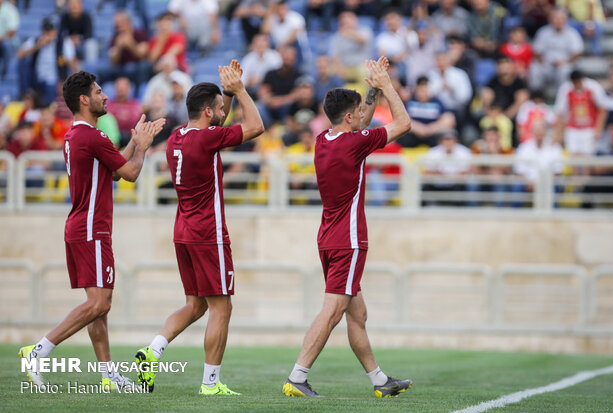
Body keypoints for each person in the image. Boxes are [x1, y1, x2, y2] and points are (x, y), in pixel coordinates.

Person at [17, 70, 165, 390]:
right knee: (99, 304)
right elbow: (130, 173)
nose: (105, 96)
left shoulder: (77, 135)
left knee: (100, 305)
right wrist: (142, 147)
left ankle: (108, 374)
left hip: (81, 226)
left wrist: (133, 144)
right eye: (99, 92)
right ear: (84, 99)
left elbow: (112, 172)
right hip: (91, 228)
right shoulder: (92, 136)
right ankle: (38, 351)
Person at [282, 57, 412, 398]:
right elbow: (403, 123)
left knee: (358, 313)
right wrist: (386, 86)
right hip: (349, 239)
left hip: (327, 237)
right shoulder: (356, 143)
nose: (361, 117)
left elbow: (361, 120)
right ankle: (297, 376)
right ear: (350, 117)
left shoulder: (324, 139)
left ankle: (380, 382)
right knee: (333, 311)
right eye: (358, 113)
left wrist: (369, 87)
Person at [134, 60, 264, 396]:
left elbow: (217, 129)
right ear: (208, 112)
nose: (225, 111)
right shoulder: (207, 140)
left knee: (196, 304)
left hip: (183, 230)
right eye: (220, 109)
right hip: (208, 232)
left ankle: (152, 352)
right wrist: (240, 90)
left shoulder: (179, 136)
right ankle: (210, 384)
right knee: (222, 306)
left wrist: (226, 97)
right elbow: (256, 127)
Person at [554, 70, 611, 156]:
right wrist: (558, 133)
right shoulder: (566, 89)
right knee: (573, 157)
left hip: (589, 128)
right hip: (572, 128)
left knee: (587, 158)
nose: (576, 85)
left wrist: (598, 128)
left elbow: (604, 108)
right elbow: (560, 112)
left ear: (582, 79)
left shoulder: (593, 86)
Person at [529, 8, 584, 95]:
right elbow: (537, 52)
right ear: (550, 20)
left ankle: (562, 98)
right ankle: (537, 96)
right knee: (535, 68)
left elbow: (577, 53)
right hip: (547, 64)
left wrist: (564, 62)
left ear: (565, 20)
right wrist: (543, 61)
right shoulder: (543, 32)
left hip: (565, 64)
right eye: (556, 18)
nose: (558, 21)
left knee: (564, 70)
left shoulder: (572, 33)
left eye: (561, 18)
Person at [97, 10, 151, 89]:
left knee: (140, 67)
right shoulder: (115, 38)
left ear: (128, 22)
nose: (117, 25)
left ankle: (138, 94)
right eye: (116, 23)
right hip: (120, 68)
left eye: (120, 22)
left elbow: (142, 55)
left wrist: (131, 44)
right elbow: (113, 62)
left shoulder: (140, 34)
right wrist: (119, 47)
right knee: (102, 72)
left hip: (136, 66)